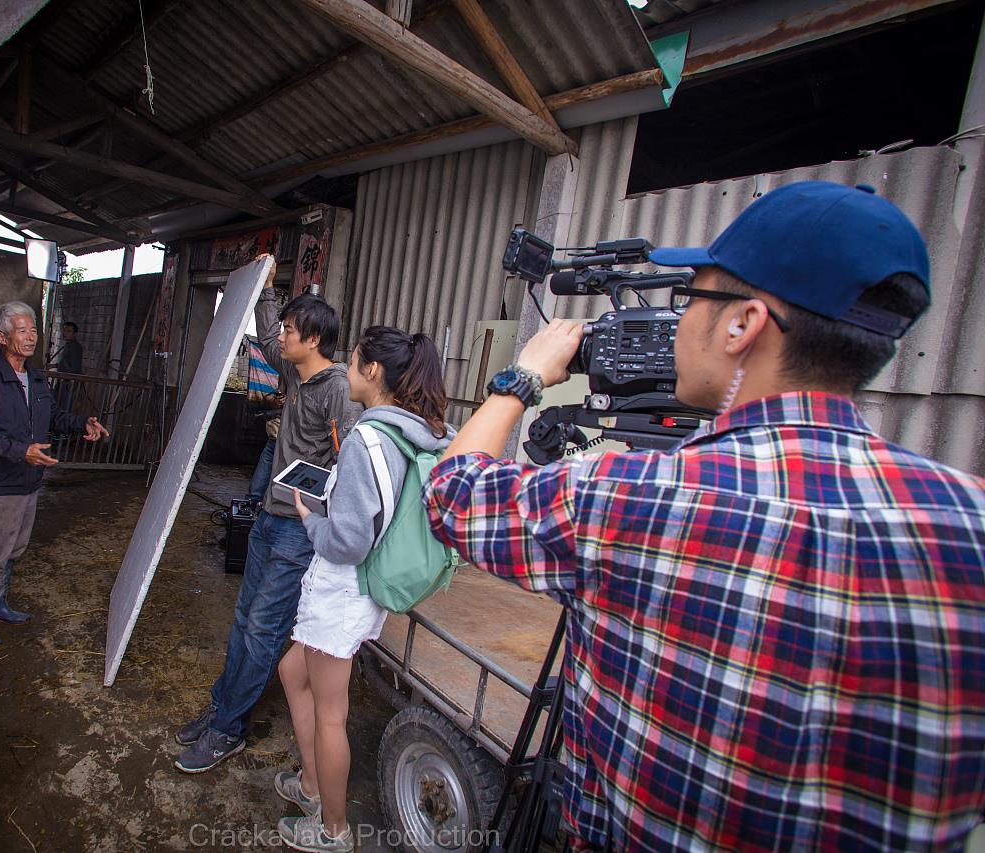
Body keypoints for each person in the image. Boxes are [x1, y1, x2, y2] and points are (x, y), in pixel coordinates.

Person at [424, 181, 985, 851]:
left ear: (742, 323)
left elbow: (453, 492)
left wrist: (524, 376)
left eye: (690, 299)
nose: (679, 322)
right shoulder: (970, 517)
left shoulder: (623, 494)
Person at [174, 259, 362, 773]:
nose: (281, 336)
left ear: (315, 339)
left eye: (290, 330)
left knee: (262, 629)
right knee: (243, 620)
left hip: (300, 532)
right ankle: (223, 704)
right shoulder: (296, 374)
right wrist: (266, 284)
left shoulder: (340, 391)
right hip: (269, 520)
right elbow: (264, 328)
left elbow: (353, 464)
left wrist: (319, 505)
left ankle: (229, 729)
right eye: (283, 327)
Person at [274, 326, 452, 852]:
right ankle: (310, 785)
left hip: (343, 588)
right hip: (367, 584)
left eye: (352, 364)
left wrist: (310, 518)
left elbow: (347, 541)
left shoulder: (365, 438)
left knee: (332, 714)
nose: (346, 372)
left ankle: (333, 828)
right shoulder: (421, 432)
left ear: (372, 372)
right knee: (291, 670)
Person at [0, 302, 108, 649]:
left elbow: (53, 416)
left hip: (29, 479)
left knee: (14, 547)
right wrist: (18, 450)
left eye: (33, 331)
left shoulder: (35, 377)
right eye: (22, 330)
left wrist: (82, 423)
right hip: (1, 480)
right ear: (1, 337)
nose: (30, 337)